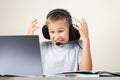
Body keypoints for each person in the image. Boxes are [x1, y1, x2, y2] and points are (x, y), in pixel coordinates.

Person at [28, 8, 92, 75]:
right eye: (52, 32)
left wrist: (86, 40)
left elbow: (86, 72)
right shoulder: (43, 46)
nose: (57, 36)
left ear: (71, 30)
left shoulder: (79, 46)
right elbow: (28, 67)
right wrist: (29, 40)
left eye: (60, 31)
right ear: (47, 32)